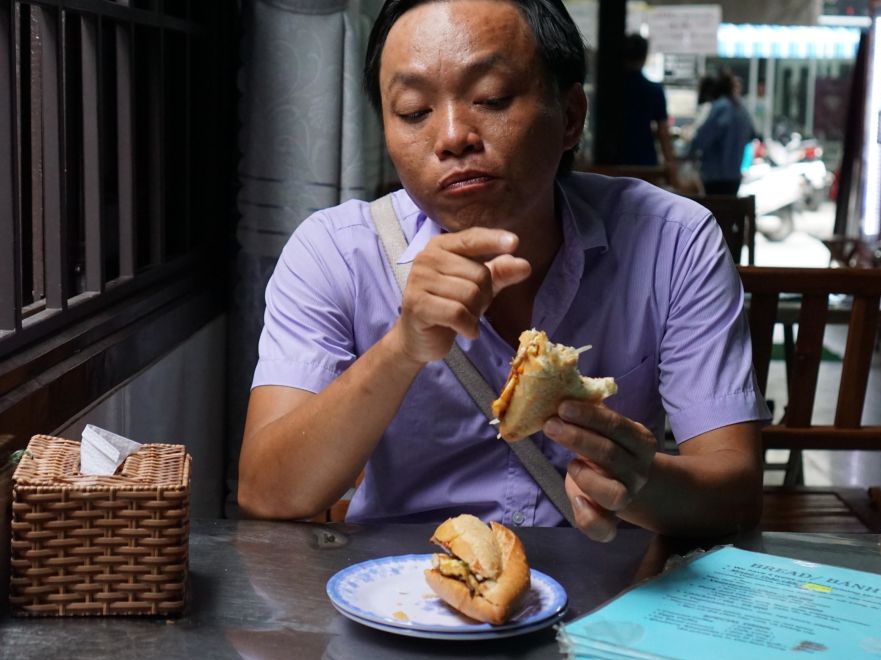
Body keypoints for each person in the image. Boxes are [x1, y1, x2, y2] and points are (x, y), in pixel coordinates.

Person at [237, 0, 770, 543]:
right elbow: (266, 493)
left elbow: (737, 496)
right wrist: (401, 348)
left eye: (490, 98)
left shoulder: (673, 242)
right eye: (415, 111)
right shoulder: (334, 252)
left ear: (570, 116)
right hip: (401, 596)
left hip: (609, 598)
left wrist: (640, 483)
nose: (451, 137)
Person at [618, 33, 679, 184]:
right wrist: (671, 166)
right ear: (644, 56)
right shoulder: (654, 90)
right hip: (644, 161)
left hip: (615, 159)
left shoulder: (611, 90)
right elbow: (663, 133)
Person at [688, 69, 755, 196]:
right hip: (734, 176)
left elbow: (701, 139)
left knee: (715, 212)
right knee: (728, 211)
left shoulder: (719, 108)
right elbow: (752, 135)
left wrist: (689, 154)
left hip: (715, 177)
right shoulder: (741, 107)